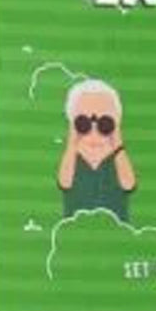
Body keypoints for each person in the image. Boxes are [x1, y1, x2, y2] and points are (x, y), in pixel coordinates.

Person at [58, 79, 136, 221]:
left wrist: (117, 142)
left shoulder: (117, 159)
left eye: (105, 124)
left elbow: (128, 184)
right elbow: (65, 182)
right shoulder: (73, 158)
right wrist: (72, 143)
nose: (94, 131)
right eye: (83, 123)